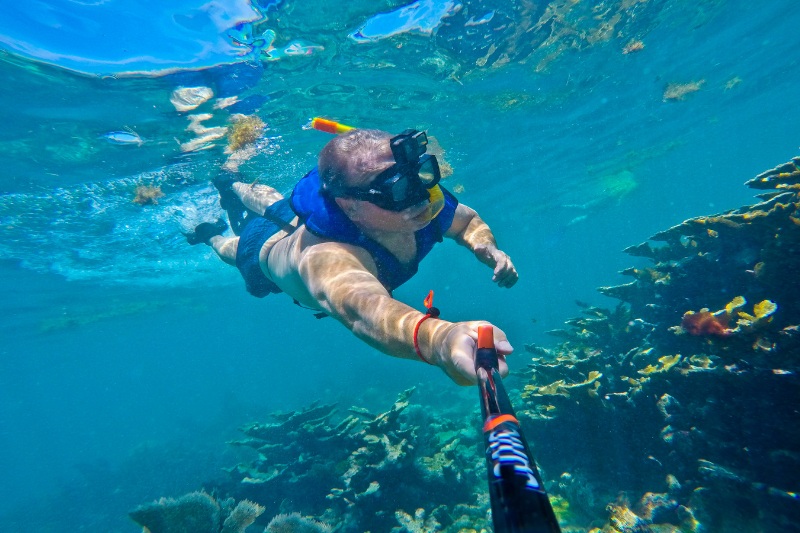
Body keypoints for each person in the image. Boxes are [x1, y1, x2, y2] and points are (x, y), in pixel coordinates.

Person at [186, 128, 518, 385]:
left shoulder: (415, 204)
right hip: (263, 250)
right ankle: (211, 230)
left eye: (423, 176)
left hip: (306, 217)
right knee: (234, 246)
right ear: (350, 205)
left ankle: (233, 183)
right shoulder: (328, 259)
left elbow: (467, 222)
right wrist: (441, 340)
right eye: (399, 189)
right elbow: (364, 312)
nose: (420, 196)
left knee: (278, 205)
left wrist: (485, 247)